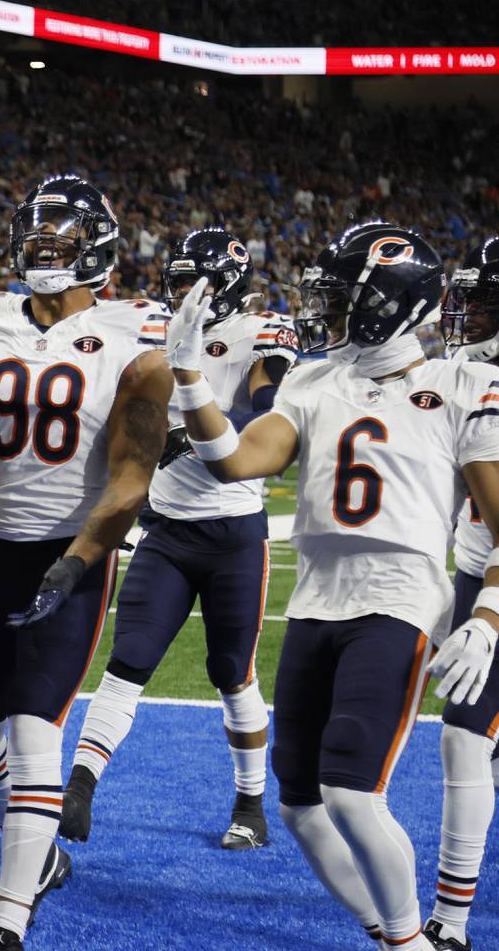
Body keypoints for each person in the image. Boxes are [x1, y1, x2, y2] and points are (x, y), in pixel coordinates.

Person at [168, 222, 499, 951]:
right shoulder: (315, 378)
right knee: (299, 805)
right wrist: (190, 377)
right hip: (316, 597)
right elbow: (235, 459)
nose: (327, 309)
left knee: (352, 789)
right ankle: (390, 935)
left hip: (400, 595)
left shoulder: (460, 384)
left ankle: (419, 943)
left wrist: (489, 613)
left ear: (388, 299)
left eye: (343, 295)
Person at [0, 174, 174, 950]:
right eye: (35, 233)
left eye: (61, 237)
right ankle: (35, 860)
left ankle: (8, 914)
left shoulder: (137, 333)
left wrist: (77, 563)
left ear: (97, 248)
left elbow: (134, 470)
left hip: (71, 549)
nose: (41, 248)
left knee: (35, 725)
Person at [61, 228, 297, 851]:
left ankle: (250, 803)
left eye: (200, 280)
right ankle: (79, 787)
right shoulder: (150, 332)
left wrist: (190, 433)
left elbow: (273, 414)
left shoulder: (262, 333)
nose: (186, 292)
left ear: (230, 284)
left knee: (231, 671)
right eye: (179, 279)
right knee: (127, 660)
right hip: (165, 531)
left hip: (233, 532)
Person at [425, 236, 499, 951]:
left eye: (485, 301)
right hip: (481, 574)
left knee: (467, 741)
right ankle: (450, 922)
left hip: (493, 588)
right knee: (464, 740)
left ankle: (450, 921)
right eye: (466, 297)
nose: (466, 312)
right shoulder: (459, 376)